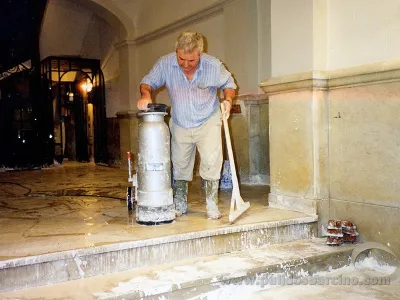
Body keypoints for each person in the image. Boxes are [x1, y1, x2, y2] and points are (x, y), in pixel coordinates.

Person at [137, 30, 236, 219]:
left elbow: (229, 84)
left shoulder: (213, 65)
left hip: (208, 119)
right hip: (181, 121)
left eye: (191, 60)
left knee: (211, 161)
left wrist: (228, 100)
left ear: (200, 53)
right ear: (177, 52)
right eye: (181, 59)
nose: (185, 65)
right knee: (180, 164)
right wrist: (146, 95)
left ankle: (211, 205)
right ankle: (180, 204)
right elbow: (147, 82)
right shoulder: (165, 63)